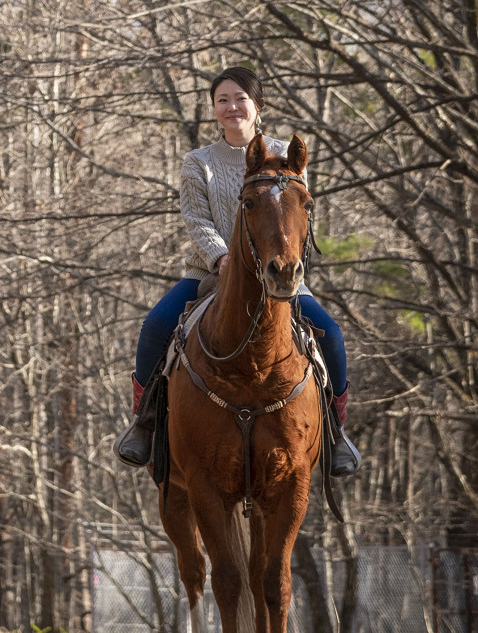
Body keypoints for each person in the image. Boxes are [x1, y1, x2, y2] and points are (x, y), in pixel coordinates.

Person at [113, 66, 361, 477]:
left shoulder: (286, 155)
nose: (231, 107)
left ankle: (335, 433)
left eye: (240, 99)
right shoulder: (199, 162)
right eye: (222, 100)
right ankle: (144, 423)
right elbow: (196, 220)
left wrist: (284, 261)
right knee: (155, 326)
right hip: (210, 272)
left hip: (277, 274)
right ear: (214, 108)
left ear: (257, 105)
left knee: (331, 334)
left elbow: (295, 217)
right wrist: (222, 257)